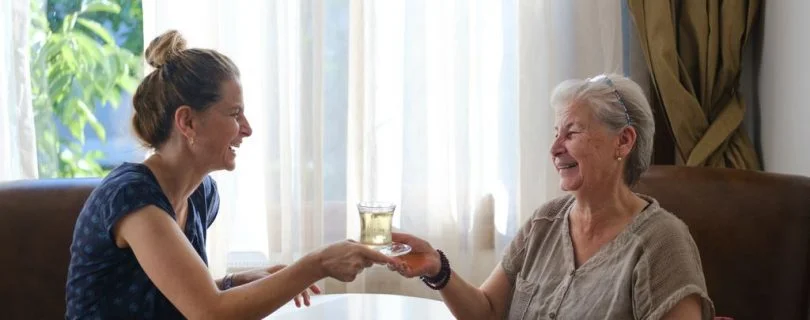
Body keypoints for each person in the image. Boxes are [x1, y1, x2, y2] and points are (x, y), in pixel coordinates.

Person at [65, 30, 396, 319]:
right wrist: (318, 263)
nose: (247, 129)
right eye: (235, 114)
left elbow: (177, 298)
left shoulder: (201, 194)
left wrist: (231, 283)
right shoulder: (132, 200)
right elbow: (211, 314)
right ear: (188, 122)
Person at [390, 74, 714, 319]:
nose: (555, 148)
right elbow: (488, 311)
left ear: (624, 141)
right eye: (555, 133)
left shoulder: (662, 242)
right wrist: (438, 269)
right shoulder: (544, 223)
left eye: (571, 133)